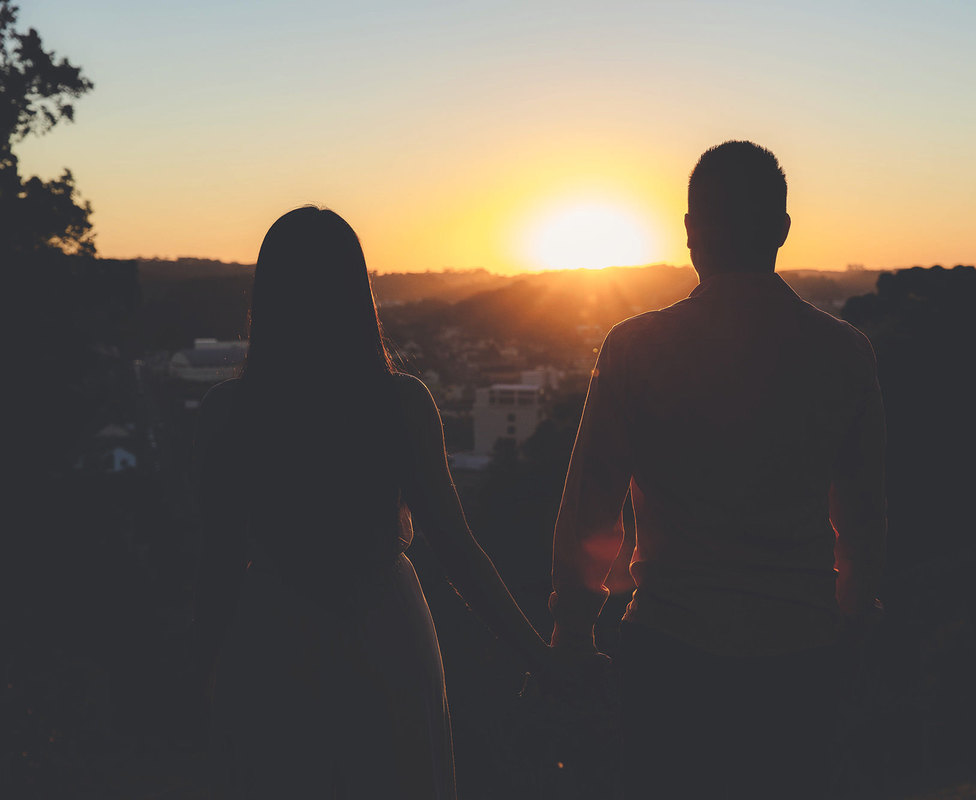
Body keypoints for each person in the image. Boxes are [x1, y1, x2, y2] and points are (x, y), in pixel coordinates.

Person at [548, 141, 887, 799]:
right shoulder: (844, 355)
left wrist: (573, 628)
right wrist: (850, 618)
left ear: (689, 234)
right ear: (783, 230)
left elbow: (592, 505)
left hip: (669, 652)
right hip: (801, 652)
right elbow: (864, 516)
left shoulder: (635, 350)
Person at [191, 206, 553, 799]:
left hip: (269, 639)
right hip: (385, 632)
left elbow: (216, 565)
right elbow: (457, 549)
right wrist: (538, 656)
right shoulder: (402, 403)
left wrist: (195, 675)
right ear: (357, 291)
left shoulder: (226, 413)